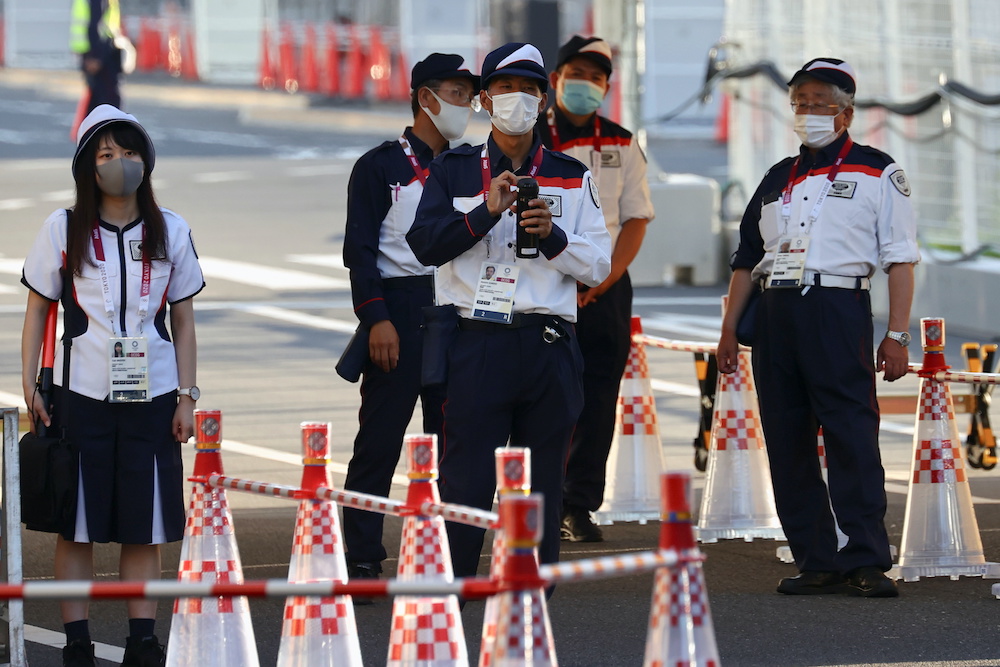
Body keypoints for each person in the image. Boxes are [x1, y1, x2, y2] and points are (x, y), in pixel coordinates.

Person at [407, 42, 612, 580]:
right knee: (466, 479)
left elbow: (598, 266)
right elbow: (424, 245)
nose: (516, 98)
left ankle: (528, 600)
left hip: (547, 343)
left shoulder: (571, 173)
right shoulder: (453, 170)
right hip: (476, 340)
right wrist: (484, 212)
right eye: (504, 88)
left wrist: (554, 238)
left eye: (528, 89)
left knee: (542, 483)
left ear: (543, 100)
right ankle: (451, 598)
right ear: (484, 99)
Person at [716, 58, 919, 598]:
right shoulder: (776, 176)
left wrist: (897, 335)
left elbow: (901, 259)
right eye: (799, 103)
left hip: (837, 307)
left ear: (846, 113)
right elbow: (746, 259)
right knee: (786, 437)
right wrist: (729, 330)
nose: (806, 113)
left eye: (819, 104)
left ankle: (866, 557)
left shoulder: (879, 170)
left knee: (851, 432)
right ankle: (816, 557)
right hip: (776, 309)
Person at [21, 105, 204, 666]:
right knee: (75, 526)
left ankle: (142, 640)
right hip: (81, 397)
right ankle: (76, 643)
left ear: (146, 161)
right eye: (105, 155)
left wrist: (187, 397)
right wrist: (29, 387)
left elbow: (184, 320)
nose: (119, 163)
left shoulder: (171, 228)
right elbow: (36, 311)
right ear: (86, 167)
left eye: (128, 153)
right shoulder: (62, 227)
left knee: (141, 526)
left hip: (153, 396)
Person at [341, 53, 480, 592]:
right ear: (426, 98)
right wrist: (375, 318)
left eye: (470, 95)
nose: (466, 105)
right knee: (380, 436)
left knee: (456, 439)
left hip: (458, 311)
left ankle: (447, 549)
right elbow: (360, 251)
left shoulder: (471, 165)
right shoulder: (380, 166)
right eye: (457, 93)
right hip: (398, 310)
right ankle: (361, 552)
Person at [537, 35, 655, 542]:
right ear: (557, 79)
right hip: (541, 284)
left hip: (604, 289)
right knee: (539, 395)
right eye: (577, 74)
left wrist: (601, 281)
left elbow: (635, 220)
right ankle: (533, 498)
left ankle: (577, 505)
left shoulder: (623, 142)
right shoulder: (531, 138)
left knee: (597, 398)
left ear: (607, 86)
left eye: (597, 77)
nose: (586, 85)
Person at [70, 0, 126, 113]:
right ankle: (105, 128)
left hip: (98, 51)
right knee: (106, 100)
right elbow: (94, 25)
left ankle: (97, 128)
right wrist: (95, 57)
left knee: (98, 98)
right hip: (99, 53)